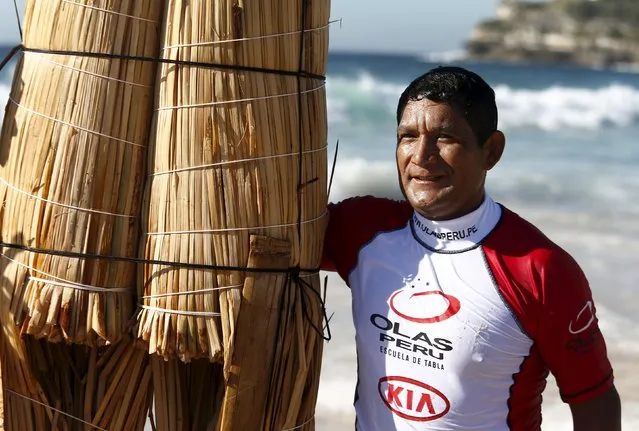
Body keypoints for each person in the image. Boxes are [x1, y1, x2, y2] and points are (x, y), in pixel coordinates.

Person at [321, 66, 621, 430]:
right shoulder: (360, 230)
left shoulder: (540, 269)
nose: (421, 155)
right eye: (407, 136)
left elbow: (595, 401)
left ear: (491, 151)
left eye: (444, 137)